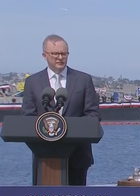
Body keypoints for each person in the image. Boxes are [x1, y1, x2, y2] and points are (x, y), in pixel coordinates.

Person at [22, 34, 101, 186]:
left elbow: (93, 115)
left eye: (64, 54)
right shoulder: (32, 82)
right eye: (55, 54)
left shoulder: (83, 80)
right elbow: (28, 118)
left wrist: (68, 128)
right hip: (44, 158)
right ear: (44, 55)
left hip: (77, 156)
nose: (60, 57)